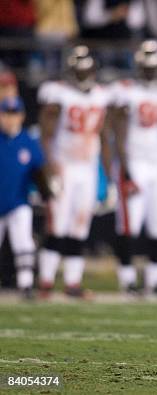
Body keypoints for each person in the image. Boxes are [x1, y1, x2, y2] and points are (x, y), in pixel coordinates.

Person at [37, 46, 113, 298]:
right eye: (79, 71)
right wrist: (48, 168)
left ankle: (72, 282)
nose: (83, 75)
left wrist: (109, 176)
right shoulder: (59, 95)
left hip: (87, 167)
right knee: (57, 224)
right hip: (64, 165)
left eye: (86, 70)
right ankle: (45, 281)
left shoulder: (101, 96)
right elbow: (45, 134)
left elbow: (102, 134)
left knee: (80, 225)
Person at [112, 40, 157, 297]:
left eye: (154, 67)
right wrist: (124, 168)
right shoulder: (127, 91)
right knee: (129, 225)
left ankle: (156, 280)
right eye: (147, 67)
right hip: (135, 164)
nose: (151, 72)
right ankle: (127, 279)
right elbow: (118, 131)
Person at [0, 97, 51, 299]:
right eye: (6, 114)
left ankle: (26, 284)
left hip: (18, 201)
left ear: (21, 116)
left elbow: (38, 171)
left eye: (14, 114)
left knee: (24, 241)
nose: (10, 119)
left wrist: (47, 192)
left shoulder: (28, 142)